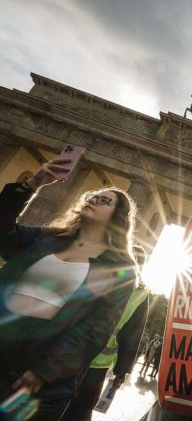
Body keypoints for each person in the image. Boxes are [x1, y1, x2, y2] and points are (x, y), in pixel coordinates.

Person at [0, 158, 137, 420]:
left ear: (118, 219)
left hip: (38, 372)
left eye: (105, 201)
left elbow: (96, 327)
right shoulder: (46, 237)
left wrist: (45, 370)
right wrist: (33, 183)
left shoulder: (120, 267)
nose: (94, 200)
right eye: (94, 196)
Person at [61, 247, 150, 421]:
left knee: (56, 400)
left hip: (71, 350)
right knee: (82, 408)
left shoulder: (102, 275)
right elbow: (131, 336)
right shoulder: (141, 293)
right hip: (98, 363)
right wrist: (121, 372)